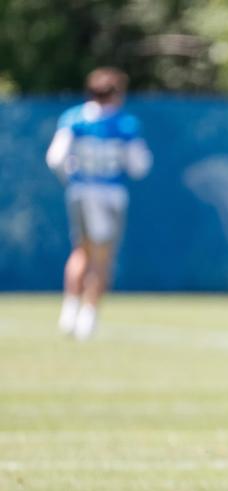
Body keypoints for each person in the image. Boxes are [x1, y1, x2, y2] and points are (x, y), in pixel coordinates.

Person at [46, 67, 152, 340]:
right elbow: (139, 166)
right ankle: (87, 317)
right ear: (116, 93)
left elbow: (56, 158)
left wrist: (70, 178)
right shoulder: (124, 123)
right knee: (102, 258)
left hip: (80, 191)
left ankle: (69, 311)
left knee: (80, 251)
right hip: (109, 195)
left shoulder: (73, 118)